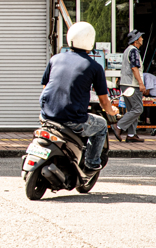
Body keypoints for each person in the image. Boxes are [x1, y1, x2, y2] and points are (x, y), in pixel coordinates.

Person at [40, 22, 119, 171]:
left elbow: (46, 86)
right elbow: (103, 101)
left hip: (46, 115)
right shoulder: (94, 66)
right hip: (72, 119)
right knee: (101, 125)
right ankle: (91, 164)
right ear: (90, 40)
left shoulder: (55, 59)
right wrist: (112, 111)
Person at [115, 30, 147, 143]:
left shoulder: (127, 51)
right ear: (136, 40)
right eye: (140, 37)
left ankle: (131, 134)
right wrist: (141, 83)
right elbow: (134, 68)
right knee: (138, 109)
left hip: (125, 84)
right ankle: (118, 126)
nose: (142, 39)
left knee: (132, 109)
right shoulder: (133, 51)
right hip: (132, 85)